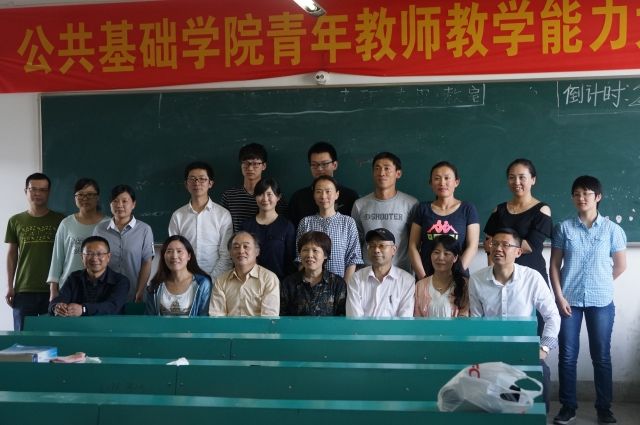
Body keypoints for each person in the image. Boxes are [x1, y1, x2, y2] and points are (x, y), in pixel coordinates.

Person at [550, 176, 627, 425]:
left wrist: (600, 281)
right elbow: (554, 266)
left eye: (587, 193)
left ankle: (604, 409)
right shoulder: (563, 228)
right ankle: (568, 407)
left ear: (598, 197)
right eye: (577, 194)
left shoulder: (613, 230)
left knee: (601, 356)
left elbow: (620, 266)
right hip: (568, 301)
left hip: (601, 301)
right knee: (567, 356)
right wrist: (559, 296)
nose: (581, 198)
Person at [469, 227, 560, 412]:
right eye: (494, 244)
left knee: (541, 373)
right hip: (492, 351)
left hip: (523, 350)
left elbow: (552, 315)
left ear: (518, 252)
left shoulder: (532, 278)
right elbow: (476, 321)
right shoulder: (477, 279)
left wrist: (544, 348)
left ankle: (538, 417)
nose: (498, 248)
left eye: (505, 245)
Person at [484, 158, 553, 337]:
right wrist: (492, 272)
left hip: (531, 276)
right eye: (512, 177)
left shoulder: (542, 210)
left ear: (533, 180)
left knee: (534, 330)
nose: (516, 182)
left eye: (522, 177)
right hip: (501, 277)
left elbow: (530, 246)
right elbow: (489, 245)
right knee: (500, 329)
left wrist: (498, 243)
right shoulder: (498, 210)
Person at [5, 173, 64, 331]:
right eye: (33, 189)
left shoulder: (61, 220)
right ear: (26, 191)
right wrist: (10, 286)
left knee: (53, 336)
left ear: (49, 192)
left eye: (43, 190)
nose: (38, 193)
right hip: (24, 289)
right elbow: (12, 254)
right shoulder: (15, 221)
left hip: (53, 289)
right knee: (22, 336)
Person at [409, 161, 479, 279]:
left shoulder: (467, 209)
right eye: (437, 178)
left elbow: (472, 246)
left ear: (456, 182)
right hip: (426, 276)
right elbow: (412, 246)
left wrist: (456, 275)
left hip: (457, 278)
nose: (442, 183)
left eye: (447, 178)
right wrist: (424, 278)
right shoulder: (422, 209)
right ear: (431, 183)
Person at [351, 152, 418, 273]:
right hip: (367, 274)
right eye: (377, 168)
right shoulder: (359, 205)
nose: (381, 173)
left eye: (387, 168)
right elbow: (355, 243)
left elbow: (416, 243)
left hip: (401, 274)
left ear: (398, 173)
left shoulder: (411, 204)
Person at [169, 161, 233, 279]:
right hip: (184, 280)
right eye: (192, 179)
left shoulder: (223, 215)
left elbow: (226, 255)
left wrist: (210, 281)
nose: (197, 183)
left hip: (216, 280)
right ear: (186, 184)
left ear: (210, 183)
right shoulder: (178, 216)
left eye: (202, 179)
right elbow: (174, 252)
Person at [47, 177, 107, 300]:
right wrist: (53, 290)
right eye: (80, 194)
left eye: (90, 194)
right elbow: (57, 258)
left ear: (97, 197)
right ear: (75, 197)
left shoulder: (108, 224)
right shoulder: (66, 223)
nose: (85, 198)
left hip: (100, 287)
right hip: (69, 287)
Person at [93, 184, 154, 302]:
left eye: (124, 201)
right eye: (115, 201)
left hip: (134, 294)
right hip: (104, 294)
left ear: (133, 204)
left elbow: (147, 262)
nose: (119, 205)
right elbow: (93, 261)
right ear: (110, 204)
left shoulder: (144, 230)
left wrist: (140, 291)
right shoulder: (99, 230)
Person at [296, 175, 363, 282]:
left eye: (328, 191)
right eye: (318, 191)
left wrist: (344, 287)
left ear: (337, 194)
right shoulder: (305, 222)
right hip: (310, 285)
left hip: (340, 284)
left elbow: (353, 258)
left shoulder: (348, 222)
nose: (323, 196)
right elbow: (300, 257)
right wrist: (306, 285)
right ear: (314, 195)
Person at [48, 236, 129, 316]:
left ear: (108, 257)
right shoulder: (74, 278)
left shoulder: (121, 281)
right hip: (76, 324)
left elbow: (113, 307)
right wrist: (57, 307)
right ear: (82, 257)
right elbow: (57, 301)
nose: (94, 258)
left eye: (100, 254)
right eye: (89, 253)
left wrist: (84, 309)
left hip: (111, 324)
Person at [346, 228, 415, 317]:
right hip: (361, 327)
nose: (376, 250)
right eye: (372, 245)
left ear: (394, 250)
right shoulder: (356, 279)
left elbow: (405, 319)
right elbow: (354, 318)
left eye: (382, 246)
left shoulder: (407, 281)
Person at [288, 141, 359, 227]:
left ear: (335, 165)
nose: (319, 169)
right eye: (314, 165)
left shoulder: (350, 196)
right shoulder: (298, 198)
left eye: (324, 164)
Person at [209, 231, 279, 316]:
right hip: (228, 325)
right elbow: (217, 317)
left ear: (257, 252)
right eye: (236, 247)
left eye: (246, 246)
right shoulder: (221, 281)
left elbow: (269, 319)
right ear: (230, 253)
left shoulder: (269, 279)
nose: (241, 251)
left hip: (260, 325)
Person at [221, 143, 287, 232]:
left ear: (264, 166)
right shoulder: (229, 196)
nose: (250, 168)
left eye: (255, 164)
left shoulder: (273, 197)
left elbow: (282, 227)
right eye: (246, 163)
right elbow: (223, 228)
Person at [240, 177, 295, 280]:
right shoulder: (246, 226)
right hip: (250, 283)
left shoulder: (287, 226)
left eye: (269, 194)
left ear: (278, 197)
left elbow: (291, 262)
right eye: (260, 194)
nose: (265, 199)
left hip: (279, 283)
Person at [280, 231, 347, 316]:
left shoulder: (337, 284)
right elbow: (283, 316)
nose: (310, 255)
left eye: (315, 250)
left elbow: (342, 317)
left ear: (325, 255)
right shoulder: (289, 283)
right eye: (305, 250)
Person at [145, 235, 211, 316]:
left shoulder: (202, 284)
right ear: (163, 256)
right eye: (169, 251)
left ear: (189, 256)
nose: (174, 256)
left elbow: (204, 319)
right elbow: (149, 319)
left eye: (179, 251)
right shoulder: (155, 285)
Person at [414, 235, 469, 317]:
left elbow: (464, 316)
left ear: (455, 258)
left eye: (446, 254)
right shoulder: (420, 285)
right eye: (436, 252)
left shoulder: (464, 285)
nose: (440, 258)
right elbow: (417, 318)